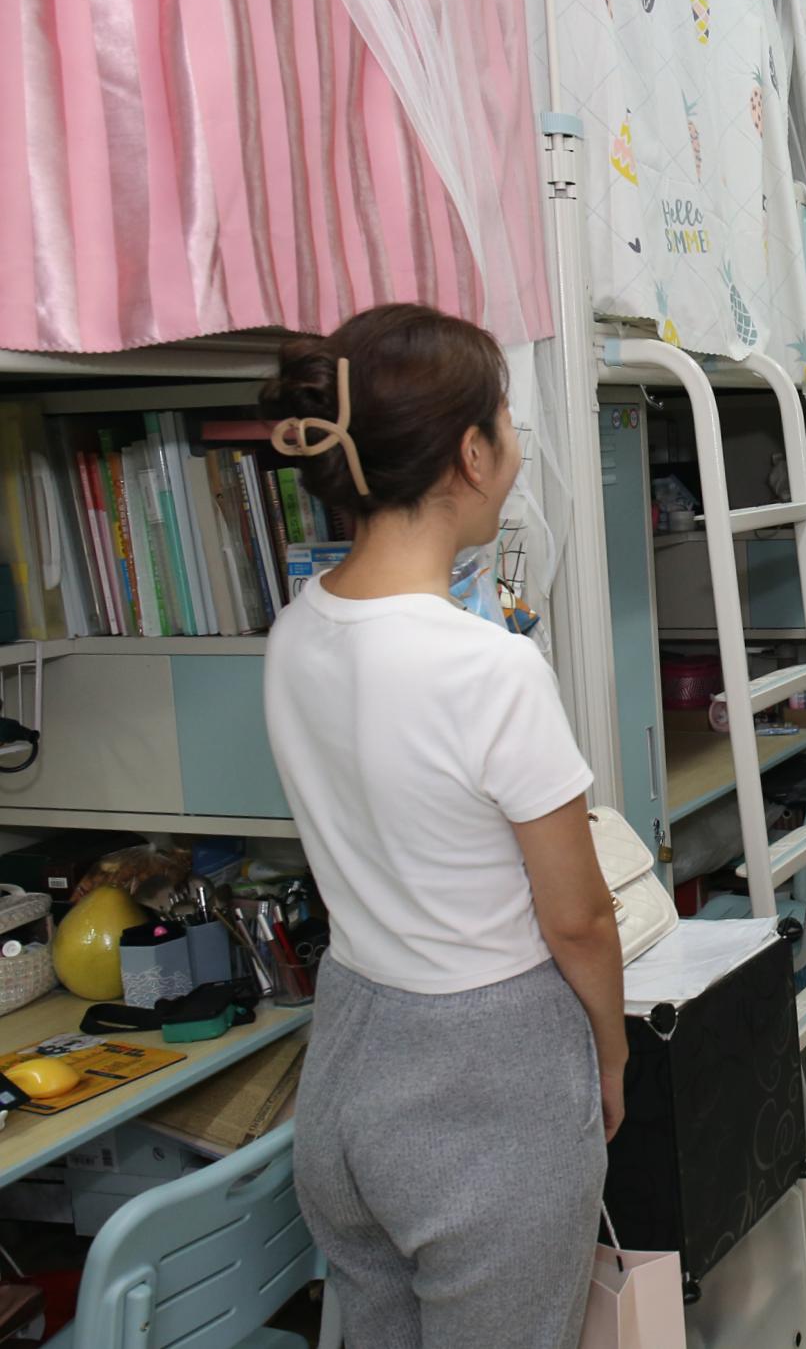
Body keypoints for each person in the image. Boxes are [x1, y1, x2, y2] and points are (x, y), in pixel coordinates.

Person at [261, 305, 620, 1349]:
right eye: (508, 423)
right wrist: (609, 1056)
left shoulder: (296, 629)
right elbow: (579, 917)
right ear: (471, 452)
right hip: (486, 1076)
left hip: (348, 1059)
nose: (515, 450)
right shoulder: (487, 666)